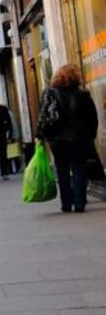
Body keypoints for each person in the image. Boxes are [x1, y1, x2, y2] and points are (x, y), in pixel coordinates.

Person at [37, 64, 100, 213]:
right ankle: (79, 203)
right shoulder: (83, 95)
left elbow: (43, 115)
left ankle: (66, 204)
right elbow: (92, 118)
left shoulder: (50, 94)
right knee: (79, 169)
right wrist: (90, 136)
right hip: (79, 138)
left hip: (57, 139)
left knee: (62, 170)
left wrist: (40, 135)